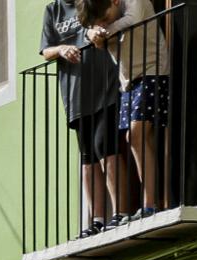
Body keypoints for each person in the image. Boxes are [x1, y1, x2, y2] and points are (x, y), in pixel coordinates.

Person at [77, 0, 168, 220]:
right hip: (128, 82)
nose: (106, 25)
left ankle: (150, 204)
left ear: (115, 1)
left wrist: (101, 32)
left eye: (107, 18)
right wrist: (91, 35)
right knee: (133, 138)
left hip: (153, 71)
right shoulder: (102, 22)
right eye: (101, 24)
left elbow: (132, 20)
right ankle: (148, 204)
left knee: (137, 135)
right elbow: (92, 35)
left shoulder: (134, 1)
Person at [40, 0, 124, 238]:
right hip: (76, 95)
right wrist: (62, 49)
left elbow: (110, 20)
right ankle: (97, 219)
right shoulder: (52, 10)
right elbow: (46, 50)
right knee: (87, 158)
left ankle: (121, 211)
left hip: (106, 86)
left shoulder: (89, 2)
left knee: (104, 146)